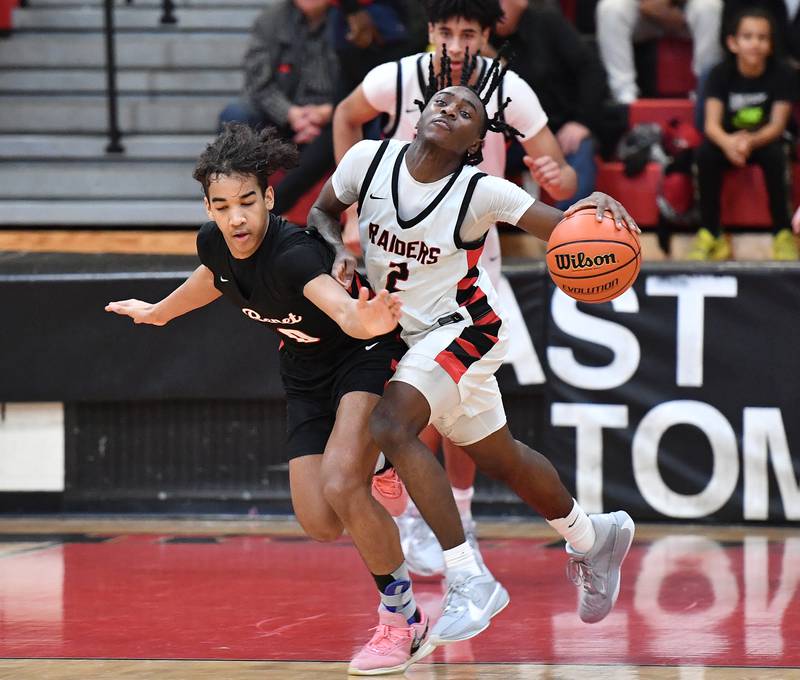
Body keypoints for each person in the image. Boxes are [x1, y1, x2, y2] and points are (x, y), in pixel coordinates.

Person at [309, 50, 638, 644]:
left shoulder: (481, 190)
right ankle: (594, 535)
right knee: (501, 456)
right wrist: (340, 249)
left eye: (466, 113)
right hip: (405, 335)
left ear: (472, 144)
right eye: (443, 102)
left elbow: (560, 226)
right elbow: (322, 212)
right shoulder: (366, 159)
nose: (451, 109)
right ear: (419, 112)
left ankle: (469, 579)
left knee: (390, 425)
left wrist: (596, 207)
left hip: (464, 329)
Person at [105, 123, 436, 676]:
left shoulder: (294, 255)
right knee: (321, 521)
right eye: (222, 204)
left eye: (247, 202)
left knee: (340, 482)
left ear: (270, 198)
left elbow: (342, 310)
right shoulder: (215, 242)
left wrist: (366, 316)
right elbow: (213, 279)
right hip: (304, 372)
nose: (236, 217)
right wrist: (158, 311)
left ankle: (401, 620)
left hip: (360, 354)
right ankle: (378, 462)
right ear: (208, 206)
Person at [332, 0, 579, 577]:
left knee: (450, 408)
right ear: (429, 33)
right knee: (406, 399)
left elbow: (561, 175)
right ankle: (426, 510)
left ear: (488, 36)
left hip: (467, 262)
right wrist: (349, 214)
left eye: (469, 33)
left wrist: (556, 178)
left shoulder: (510, 90)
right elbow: (344, 116)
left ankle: (454, 517)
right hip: (391, 257)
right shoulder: (396, 77)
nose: (457, 45)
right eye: (446, 32)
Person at [688, 6, 798, 261]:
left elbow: (777, 124)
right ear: (733, 43)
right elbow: (711, 125)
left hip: (764, 140)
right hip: (727, 140)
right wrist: (729, 143)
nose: (755, 44)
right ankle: (710, 232)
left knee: (777, 156)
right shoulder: (719, 74)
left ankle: (782, 234)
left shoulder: (782, 74)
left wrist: (749, 141)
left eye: (762, 38)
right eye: (748, 37)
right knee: (705, 154)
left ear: (770, 44)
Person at [218, 0, 339, 216]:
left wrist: (329, 113)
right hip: (281, 117)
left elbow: (363, 79)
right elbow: (258, 83)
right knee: (235, 116)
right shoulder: (271, 21)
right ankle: (235, 207)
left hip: (335, 115)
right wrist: (291, 115)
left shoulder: (350, 21)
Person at [493, 0, 611, 210]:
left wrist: (581, 122)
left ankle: (572, 233)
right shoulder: (473, 34)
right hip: (502, 136)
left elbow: (591, 69)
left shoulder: (547, 22)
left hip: (554, 132)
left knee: (580, 147)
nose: (492, 7)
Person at [595, 0, 723, 104]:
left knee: (710, 6)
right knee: (610, 8)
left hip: (684, 11)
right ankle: (623, 95)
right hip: (643, 10)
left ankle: (705, 91)